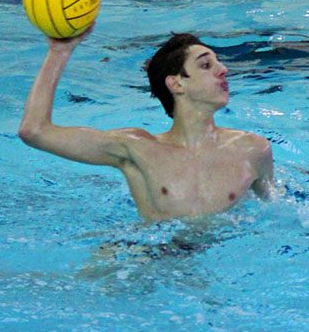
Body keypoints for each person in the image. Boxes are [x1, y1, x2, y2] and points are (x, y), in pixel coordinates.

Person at [19, 30, 273, 221]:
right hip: (153, 258)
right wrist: (59, 52)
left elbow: (277, 210)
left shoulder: (253, 150)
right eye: (206, 65)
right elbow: (35, 131)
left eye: (219, 62)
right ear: (176, 84)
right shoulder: (137, 149)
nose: (224, 70)